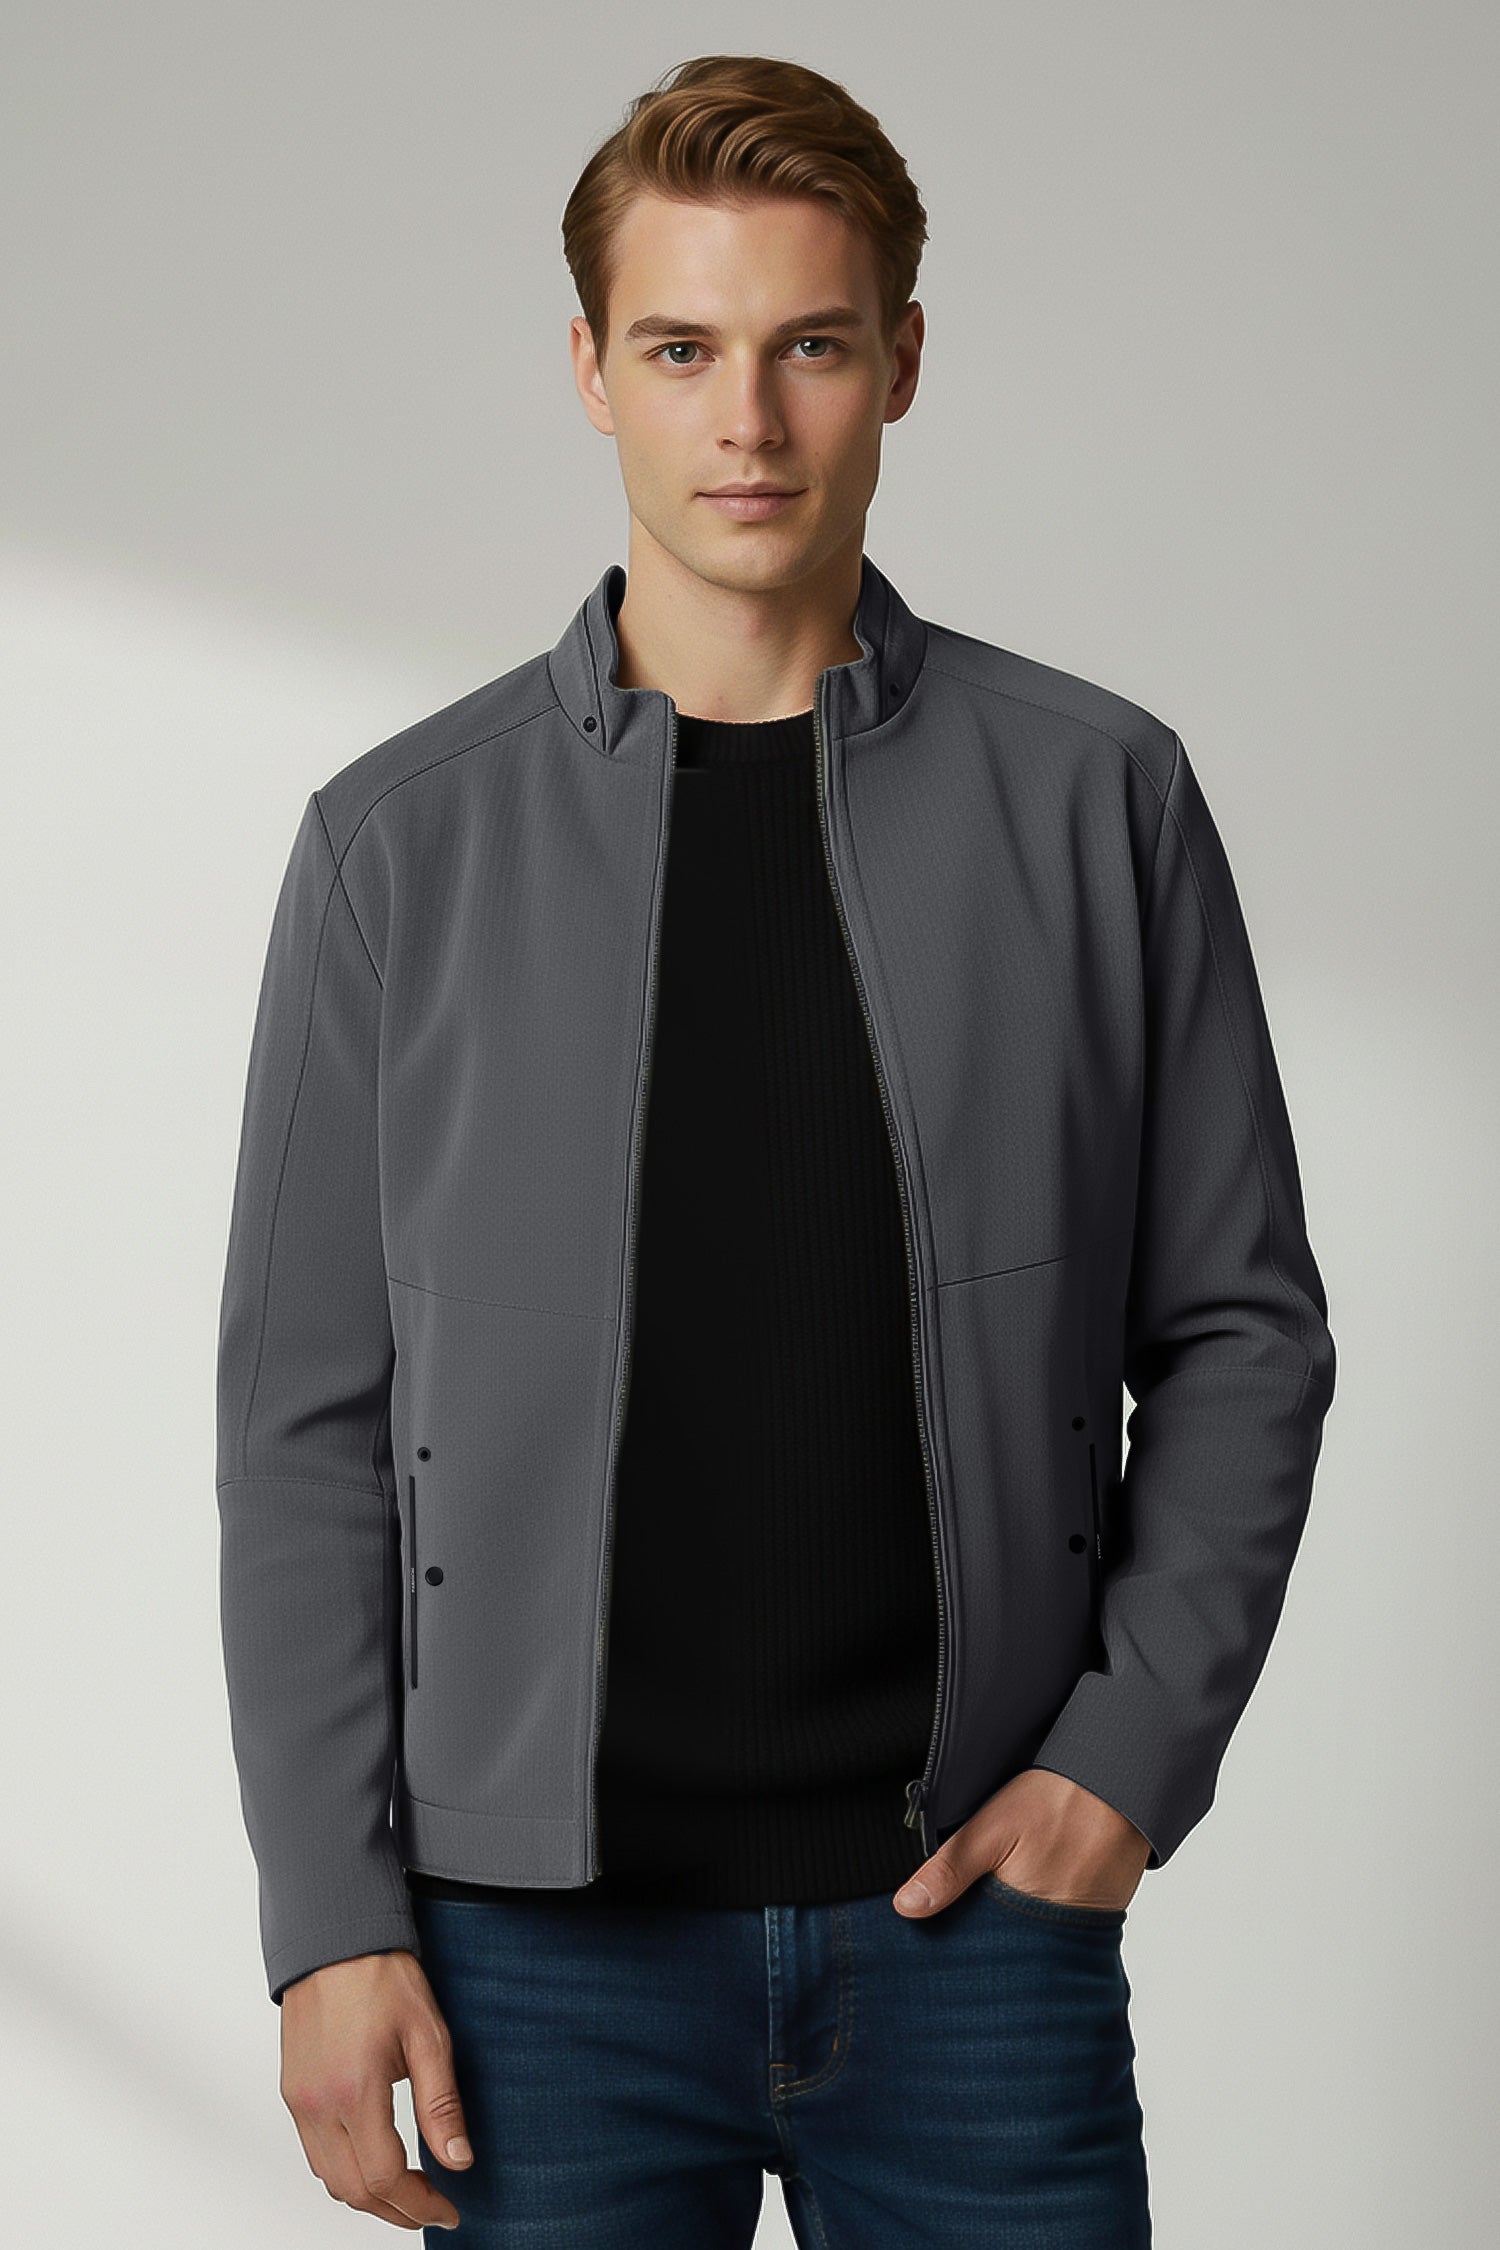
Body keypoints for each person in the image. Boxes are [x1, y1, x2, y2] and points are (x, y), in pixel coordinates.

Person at [214, 51, 1336, 2248]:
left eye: (809, 346)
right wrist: (328, 1914)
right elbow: (304, 1423)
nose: (747, 422)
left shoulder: (1099, 800)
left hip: (972, 1936)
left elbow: (1243, 1332)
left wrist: (1121, 1767)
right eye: (682, 351)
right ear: (589, 370)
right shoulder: (397, 849)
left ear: (901, 360)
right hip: (528, 1968)